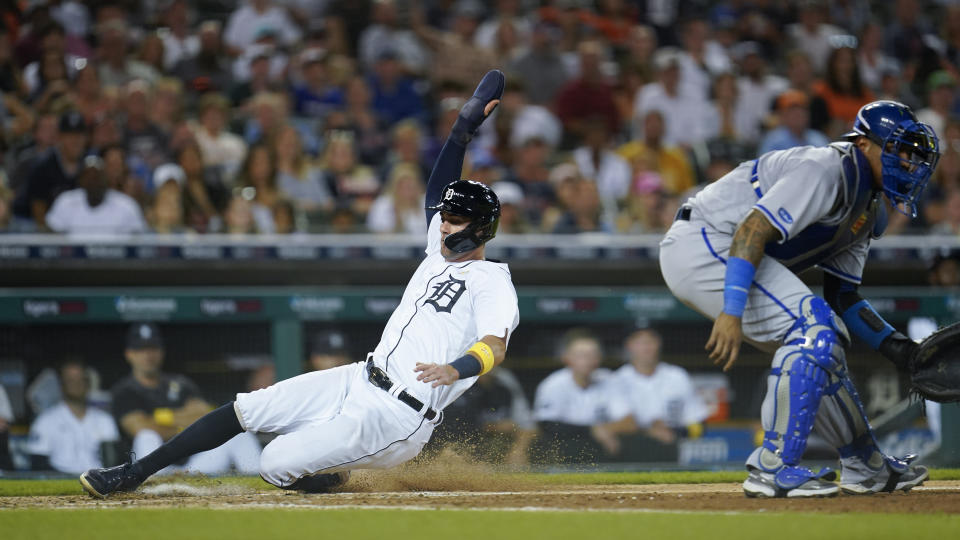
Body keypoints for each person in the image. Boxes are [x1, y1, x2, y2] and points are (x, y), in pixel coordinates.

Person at [80, 70, 519, 498]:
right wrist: (462, 130)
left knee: (274, 463)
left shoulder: (491, 280)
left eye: (455, 219)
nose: (443, 225)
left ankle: (345, 482)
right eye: (444, 217)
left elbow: (493, 347)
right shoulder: (437, 251)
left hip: (399, 416)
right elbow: (435, 191)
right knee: (247, 408)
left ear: (481, 229)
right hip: (359, 378)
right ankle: (133, 473)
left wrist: (455, 369)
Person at [658, 100, 939, 498]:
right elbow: (752, 230)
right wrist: (731, 310)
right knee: (815, 329)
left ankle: (866, 466)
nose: (908, 162)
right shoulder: (826, 168)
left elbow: (844, 295)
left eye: (912, 154)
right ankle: (772, 467)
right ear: (862, 145)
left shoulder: (868, 209)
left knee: (827, 347)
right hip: (706, 240)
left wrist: (901, 350)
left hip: (729, 251)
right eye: (898, 149)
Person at [107, 323, 261, 478]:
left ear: (161, 352)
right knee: (147, 436)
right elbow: (139, 428)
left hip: (194, 465)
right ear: (129, 354)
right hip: (152, 468)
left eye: (153, 348)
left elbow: (205, 415)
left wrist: (161, 417)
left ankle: (262, 483)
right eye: (141, 349)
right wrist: (185, 426)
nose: (148, 355)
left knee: (238, 433)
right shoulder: (124, 391)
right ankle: (152, 483)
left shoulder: (180, 384)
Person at [607, 327, 709, 444]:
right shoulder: (616, 380)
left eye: (650, 342)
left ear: (659, 343)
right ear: (629, 345)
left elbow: (699, 424)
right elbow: (611, 427)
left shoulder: (678, 376)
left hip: (672, 448)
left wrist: (673, 432)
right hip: (630, 449)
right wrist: (649, 431)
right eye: (640, 342)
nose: (646, 348)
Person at [27, 359, 119, 474]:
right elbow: (38, 463)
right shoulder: (45, 420)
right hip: (60, 482)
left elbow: (114, 461)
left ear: (88, 383)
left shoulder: (104, 420)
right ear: (61, 384)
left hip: (99, 482)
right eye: (70, 380)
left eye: (81, 379)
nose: (76, 384)